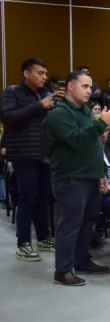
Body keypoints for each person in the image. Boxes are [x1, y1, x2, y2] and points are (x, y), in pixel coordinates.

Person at [45, 70, 110, 285]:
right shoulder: (59, 114)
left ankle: (81, 260)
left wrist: (101, 173)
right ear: (70, 86)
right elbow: (75, 140)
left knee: (88, 223)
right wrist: (100, 123)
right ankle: (62, 270)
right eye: (84, 86)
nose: (90, 91)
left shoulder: (84, 111)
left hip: (90, 177)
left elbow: (93, 145)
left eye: (90, 87)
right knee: (70, 224)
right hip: (70, 177)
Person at [1, 59, 59, 261]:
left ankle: (43, 237)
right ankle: (23, 243)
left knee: (43, 198)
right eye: (40, 73)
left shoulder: (45, 94)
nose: (44, 77)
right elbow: (8, 117)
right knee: (27, 198)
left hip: (44, 154)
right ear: (26, 73)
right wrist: (39, 106)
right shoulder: (13, 92)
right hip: (23, 153)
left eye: (45, 73)